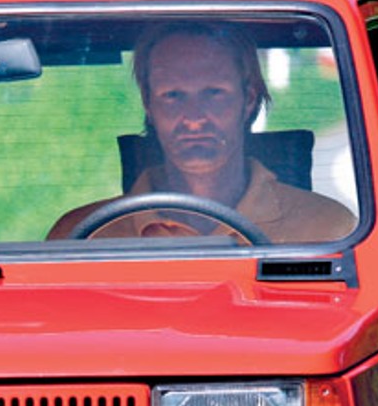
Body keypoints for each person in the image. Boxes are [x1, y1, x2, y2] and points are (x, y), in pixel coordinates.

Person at [47, 24, 356, 243]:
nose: (194, 119)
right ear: (148, 104)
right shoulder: (82, 237)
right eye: (173, 95)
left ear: (248, 98)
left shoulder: (328, 230)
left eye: (214, 93)